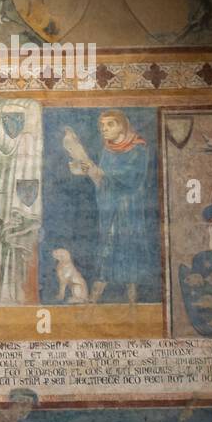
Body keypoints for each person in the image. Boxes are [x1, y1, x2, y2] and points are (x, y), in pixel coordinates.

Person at [72, 110, 150, 303]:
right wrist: (89, 172)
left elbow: (132, 178)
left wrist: (100, 173)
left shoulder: (138, 149)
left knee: (129, 251)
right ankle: (93, 303)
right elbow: (102, 181)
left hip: (129, 209)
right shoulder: (107, 150)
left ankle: (133, 307)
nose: (104, 130)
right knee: (106, 251)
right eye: (102, 126)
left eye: (110, 125)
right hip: (110, 208)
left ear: (122, 126)